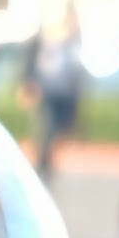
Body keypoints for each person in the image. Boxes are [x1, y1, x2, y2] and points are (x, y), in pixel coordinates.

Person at [26, 14, 84, 179]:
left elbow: (75, 69)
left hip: (65, 92)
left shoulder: (72, 42)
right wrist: (29, 85)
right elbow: (30, 64)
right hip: (46, 91)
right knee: (46, 127)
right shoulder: (42, 40)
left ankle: (47, 160)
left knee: (60, 129)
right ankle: (43, 163)